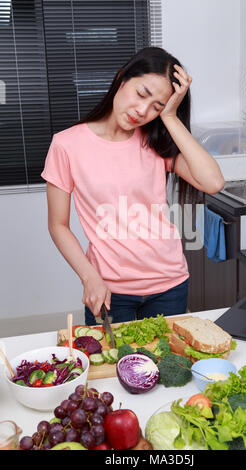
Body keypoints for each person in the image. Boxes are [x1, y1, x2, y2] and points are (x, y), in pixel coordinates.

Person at [41, 47, 224, 326]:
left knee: (165, 367)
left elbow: (213, 182)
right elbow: (58, 225)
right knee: (112, 369)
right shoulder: (66, 144)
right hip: (110, 288)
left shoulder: (154, 143)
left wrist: (171, 117)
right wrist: (89, 277)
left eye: (157, 107)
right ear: (122, 79)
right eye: (142, 94)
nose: (142, 111)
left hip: (169, 284)